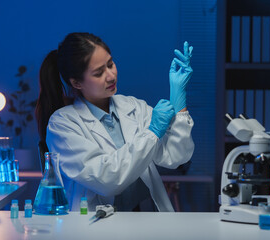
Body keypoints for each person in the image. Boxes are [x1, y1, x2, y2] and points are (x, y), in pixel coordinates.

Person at [35, 32, 194, 212]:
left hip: (144, 217)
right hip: (94, 224)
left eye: (110, 64)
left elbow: (175, 157)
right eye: (98, 73)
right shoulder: (62, 124)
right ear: (77, 83)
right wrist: (152, 132)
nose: (110, 76)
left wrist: (179, 102)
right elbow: (107, 180)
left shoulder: (134, 107)